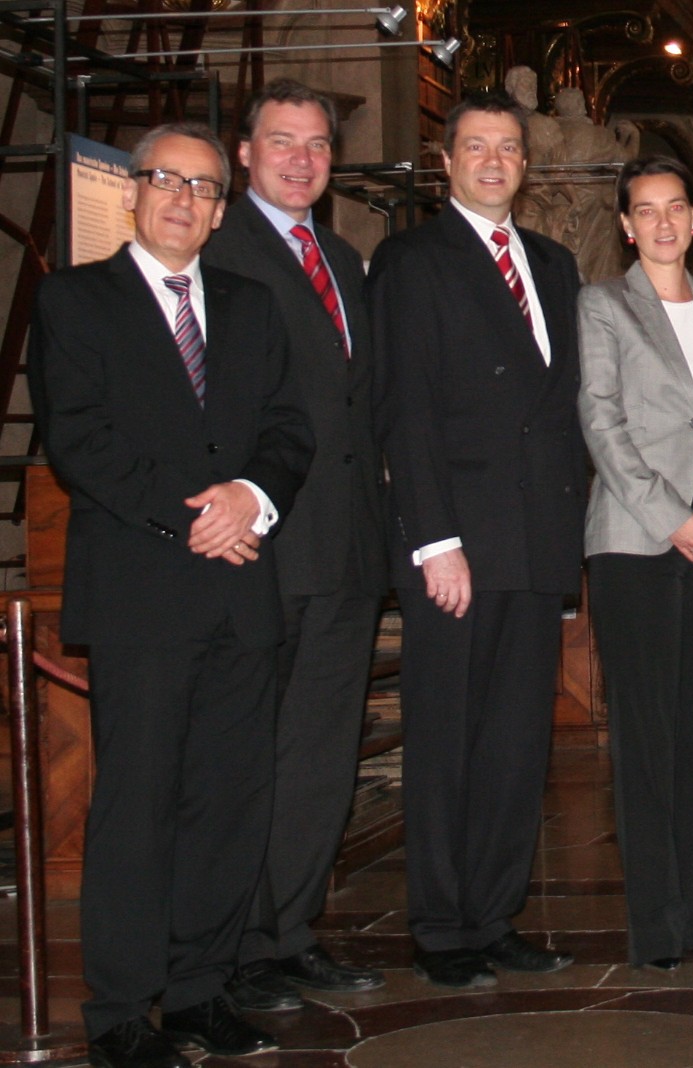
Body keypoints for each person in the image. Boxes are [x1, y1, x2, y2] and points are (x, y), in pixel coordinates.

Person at [29, 122, 313, 1068]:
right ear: (134, 192)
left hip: (242, 595)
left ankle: (198, 990)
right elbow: (80, 438)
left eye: (202, 187)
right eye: (166, 181)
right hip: (143, 596)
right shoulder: (76, 301)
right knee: (137, 806)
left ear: (221, 208)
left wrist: (253, 499)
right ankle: (119, 1008)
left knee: (228, 804)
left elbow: (288, 427)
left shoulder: (252, 304)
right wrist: (193, 516)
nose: (184, 200)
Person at [368, 90, 587, 989]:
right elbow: (404, 412)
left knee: (514, 743)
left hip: (537, 539)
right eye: (475, 147)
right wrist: (434, 542)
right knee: (449, 738)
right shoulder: (411, 260)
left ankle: (493, 915)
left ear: (525, 165)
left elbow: (565, 405)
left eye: (508, 148)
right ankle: (441, 926)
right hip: (457, 546)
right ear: (445, 162)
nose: (493, 161)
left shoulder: (555, 261)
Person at [202, 79, 388, 1012]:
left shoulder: (344, 260)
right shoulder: (217, 251)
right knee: (247, 757)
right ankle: (230, 943)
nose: (302, 159)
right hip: (262, 548)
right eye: (282, 142)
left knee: (320, 754)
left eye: (317, 144)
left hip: (349, 548)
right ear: (244, 153)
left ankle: (289, 930)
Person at [578, 155, 693, 971]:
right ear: (626, 226)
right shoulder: (603, 304)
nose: (661, 223)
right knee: (647, 735)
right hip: (635, 541)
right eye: (644, 210)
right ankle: (657, 921)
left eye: (675, 207)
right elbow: (601, 421)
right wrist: (674, 519)